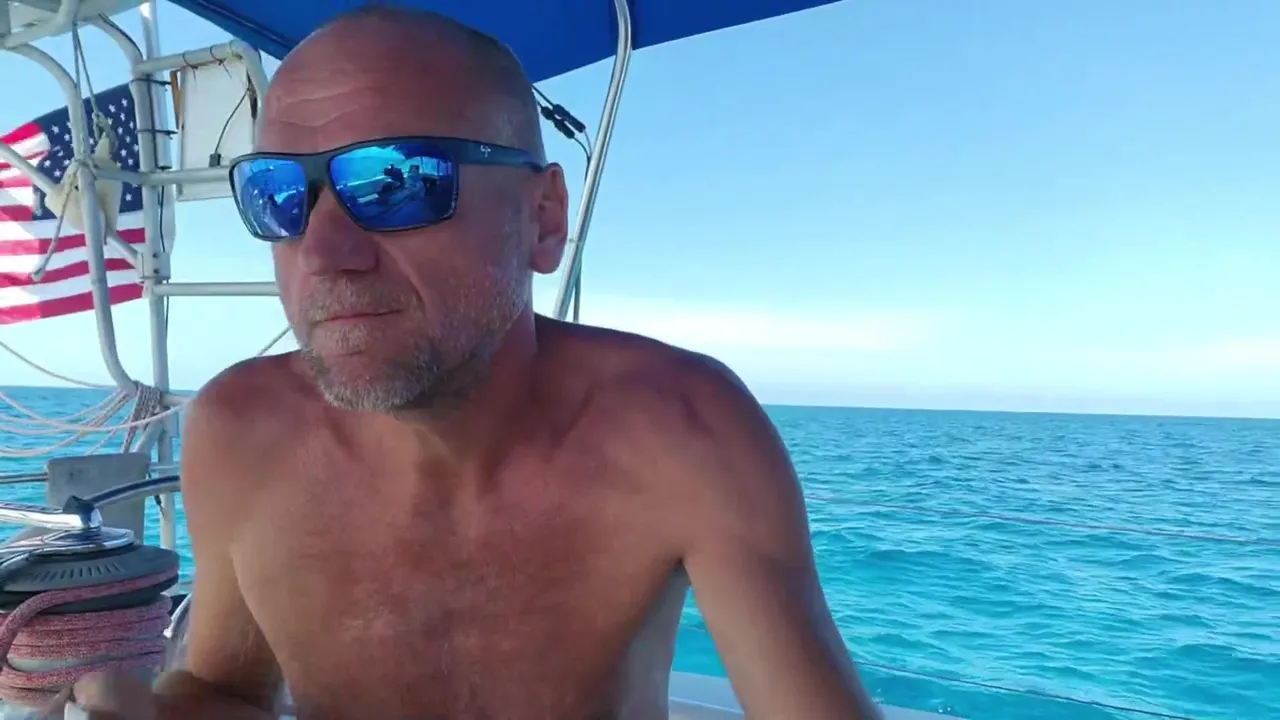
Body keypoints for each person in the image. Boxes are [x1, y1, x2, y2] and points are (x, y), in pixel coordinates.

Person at [67, 7, 882, 720]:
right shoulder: (241, 431)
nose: (323, 252)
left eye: (396, 184)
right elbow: (230, 692)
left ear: (543, 219)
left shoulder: (682, 430)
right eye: (278, 196)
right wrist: (134, 706)